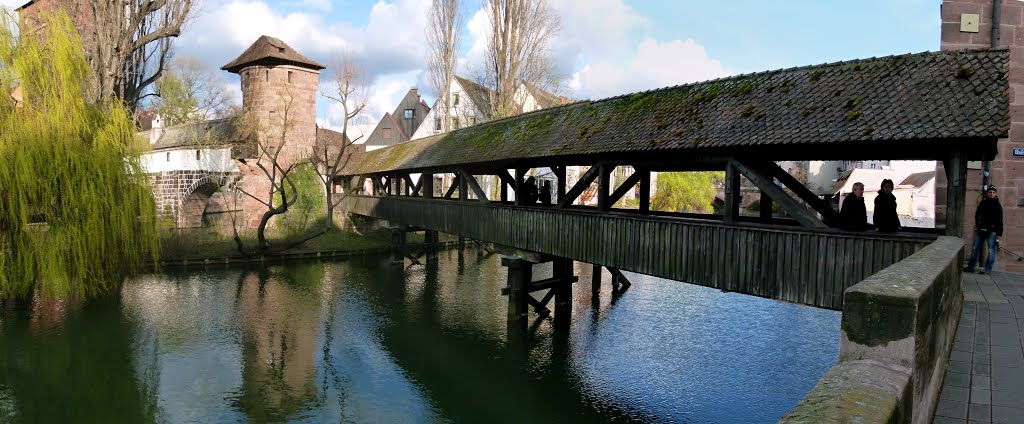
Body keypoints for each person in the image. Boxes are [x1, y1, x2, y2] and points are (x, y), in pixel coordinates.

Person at [966, 185, 1004, 274]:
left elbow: (1000, 220)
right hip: (981, 229)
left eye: (993, 192)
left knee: (991, 250)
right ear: (987, 193)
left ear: (995, 194)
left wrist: (999, 233)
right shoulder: (983, 203)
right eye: (990, 192)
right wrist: (978, 226)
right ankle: (971, 267)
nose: (991, 194)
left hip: (992, 230)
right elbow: (977, 215)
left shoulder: (998, 205)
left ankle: (988, 269)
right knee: (975, 248)